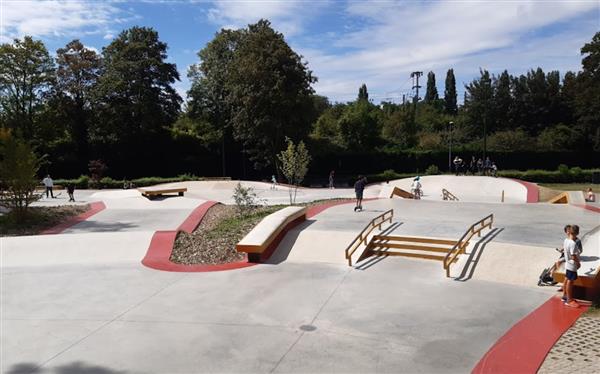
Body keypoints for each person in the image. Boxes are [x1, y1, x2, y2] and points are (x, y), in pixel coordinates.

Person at [562, 225, 582, 308]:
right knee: (570, 281)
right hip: (572, 265)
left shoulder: (566, 240)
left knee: (567, 279)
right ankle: (569, 300)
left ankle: (565, 296)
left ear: (569, 232)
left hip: (568, 264)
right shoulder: (573, 243)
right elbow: (573, 255)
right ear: (577, 233)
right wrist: (578, 263)